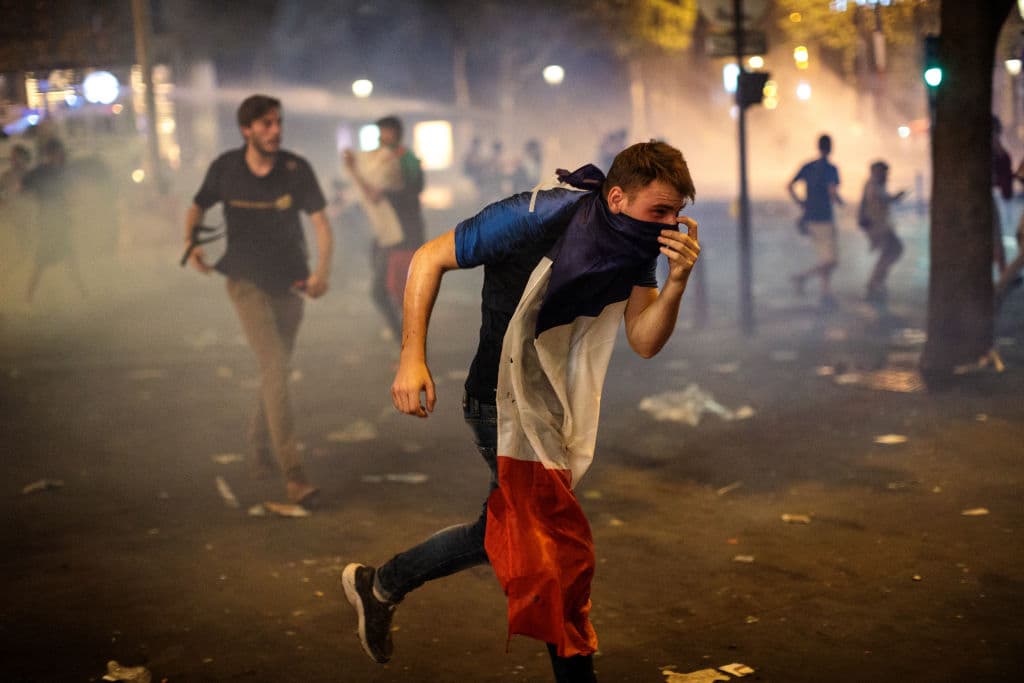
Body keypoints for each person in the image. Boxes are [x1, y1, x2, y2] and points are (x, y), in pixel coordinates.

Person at [341, 141, 700, 682]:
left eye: (676, 212)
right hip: (499, 402)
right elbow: (427, 258)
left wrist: (675, 282)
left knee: (498, 530)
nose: (670, 224)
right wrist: (411, 358)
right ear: (618, 196)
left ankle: (381, 584)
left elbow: (644, 340)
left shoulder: (638, 243)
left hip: (551, 404)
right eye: (660, 211)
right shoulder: (537, 215)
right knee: (559, 552)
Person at [183, 94, 332, 506]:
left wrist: (323, 272)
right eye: (266, 124)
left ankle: (259, 446)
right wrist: (191, 243)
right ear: (247, 129)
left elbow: (321, 223)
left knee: (275, 369)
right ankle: (294, 473)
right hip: (244, 282)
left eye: (278, 122)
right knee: (275, 365)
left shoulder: (296, 170)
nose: (275, 130)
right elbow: (196, 207)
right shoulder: (226, 169)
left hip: (290, 283)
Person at [344, 115, 426, 340]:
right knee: (387, 290)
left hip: (403, 235)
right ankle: (404, 337)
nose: (382, 137)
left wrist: (386, 192)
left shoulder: (404, 158)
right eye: (380, 132)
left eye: (386, 132)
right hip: (387, 235)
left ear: (396, 133)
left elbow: (413, 189)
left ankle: (407, 340)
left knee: (392, 291)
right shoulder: (382, 158)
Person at [22, 138, 88, 302]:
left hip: (58, 221)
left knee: (67, 259)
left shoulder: (54, 172)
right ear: (51, 154)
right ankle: (28, 297)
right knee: (44, 262)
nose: (59, 156)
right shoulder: (43, 172)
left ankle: (83, 293)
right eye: (57, 153)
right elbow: (24, 188)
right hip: (49, 223)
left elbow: (72, 191)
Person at [788, 133, 843, 310]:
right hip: (824, 218)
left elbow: (789, 186)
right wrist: (841, 203)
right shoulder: (830, 168)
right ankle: (802, 277)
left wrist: (801, 203)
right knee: (832, 260)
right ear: (830, 147)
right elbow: (832, 191)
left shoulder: (808, 166)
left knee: (824, 256)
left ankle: (826, 293)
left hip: (809, 218)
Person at [858, 161, 906, 305]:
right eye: (884, 172)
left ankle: (877, 282)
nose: (886, 175)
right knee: (893, 250)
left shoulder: (877, 184)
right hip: (877, 226)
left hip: (881, 226)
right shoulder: (872, 185)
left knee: (892, 251)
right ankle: (875, 283)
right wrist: (895, 197)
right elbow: (881, 199)